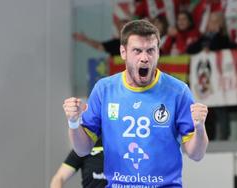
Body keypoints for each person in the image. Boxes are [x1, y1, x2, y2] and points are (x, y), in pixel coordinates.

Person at [63, 19, 209, 187]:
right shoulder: (104, 90)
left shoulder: (178, 91)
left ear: (158, 52)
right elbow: (82, 150)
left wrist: (199, 127)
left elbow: (196, 155)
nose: (144, 58)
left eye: (150, 50)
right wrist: (73, 122)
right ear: (123, 52)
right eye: (137, 51)